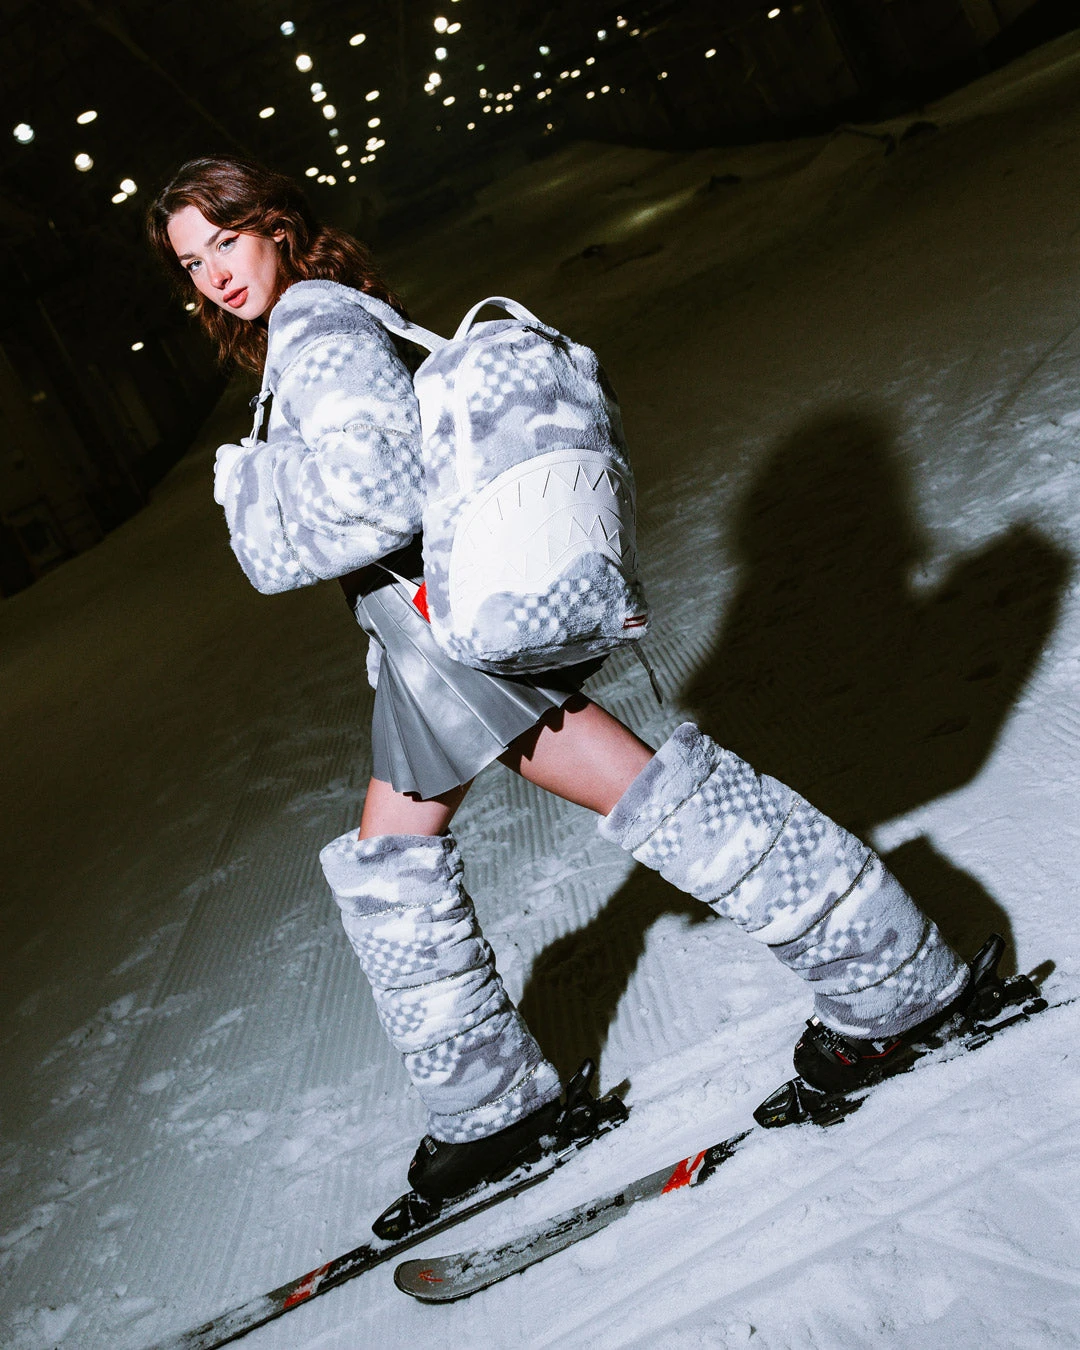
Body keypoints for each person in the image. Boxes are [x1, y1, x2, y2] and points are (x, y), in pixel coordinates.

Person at [148, 155, 971, 1206]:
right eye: (193, 262)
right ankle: (491, 1103)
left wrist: (253, 499)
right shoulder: (311, 324)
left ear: (274, 224)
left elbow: (377, 497)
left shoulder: (316, 326)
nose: (215, 273)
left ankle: (891, 980)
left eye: (225, 241)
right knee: (397, 853)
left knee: (645, 794)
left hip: (442, 639)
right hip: (421, 641)